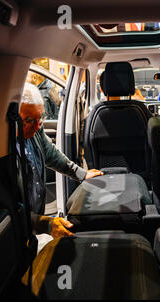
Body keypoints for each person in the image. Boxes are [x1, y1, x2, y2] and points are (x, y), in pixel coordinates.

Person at [20, 83, 103, 238]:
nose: (37, 126)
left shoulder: (36, 131)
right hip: (13, 232)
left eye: (40, 119)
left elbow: (51, 154)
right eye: (30, 120)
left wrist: (81, 174)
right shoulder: (1, 148)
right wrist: (45, 224)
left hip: (31, 226)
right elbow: (8, 209)